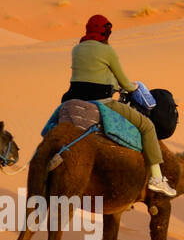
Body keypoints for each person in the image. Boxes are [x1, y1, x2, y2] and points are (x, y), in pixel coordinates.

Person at [62, 14, 176, 197]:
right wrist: (134, 87)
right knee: (147, 127)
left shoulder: (77, 50)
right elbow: (124, 82)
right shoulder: (107, 52)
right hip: (101, 102)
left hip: (71, 100)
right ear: (104, 32)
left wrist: (111, 83)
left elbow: (90, 76)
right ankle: (157, 178)